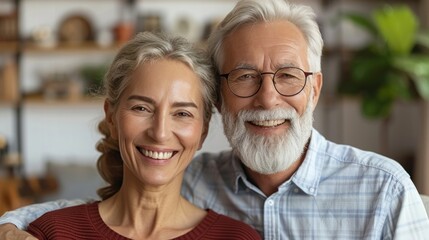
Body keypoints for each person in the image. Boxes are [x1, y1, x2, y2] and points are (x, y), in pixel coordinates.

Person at [1, 0, 429, 239]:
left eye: (288, 76)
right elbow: (96, 214)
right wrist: (11, 226)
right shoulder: (182, 175)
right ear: (221, 99)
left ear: (315, 88)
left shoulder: (384, 192)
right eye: (244, 77)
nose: (266, 98)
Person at [6, 31, 261, 239]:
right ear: (111, 117)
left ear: (203, 130)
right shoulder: (54, 232)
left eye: (182, 113)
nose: (160, 132)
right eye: (141, 108)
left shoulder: (236, 237)